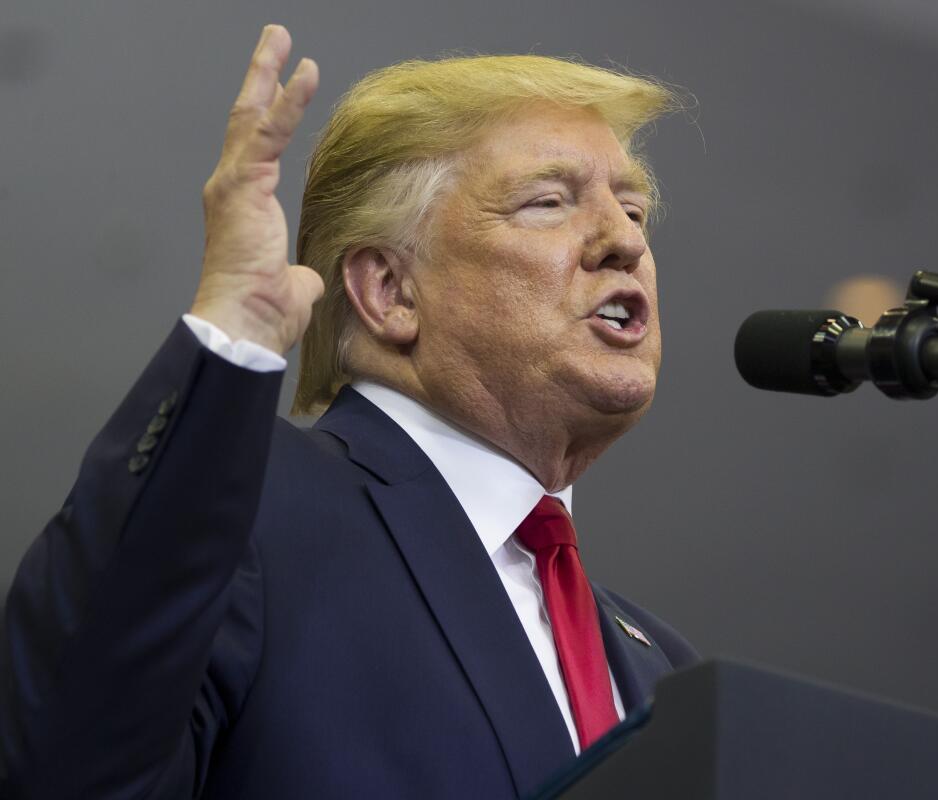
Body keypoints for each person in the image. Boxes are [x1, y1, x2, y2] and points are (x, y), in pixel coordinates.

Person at [0, 24, 698, 799]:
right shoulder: (247, 507)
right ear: (390, 292)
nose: (622, 242)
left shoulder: (663, 668)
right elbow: (68, 756)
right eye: (548, 201)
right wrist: (234, 329)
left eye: (633, 210)